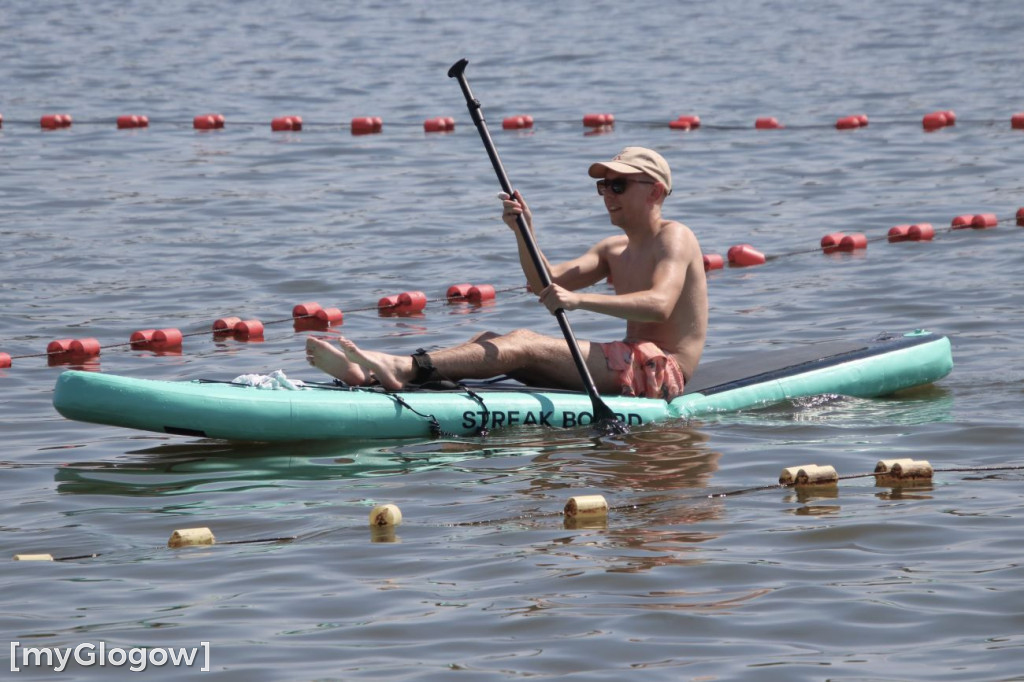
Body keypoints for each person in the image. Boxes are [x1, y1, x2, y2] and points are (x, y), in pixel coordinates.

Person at [305, 146, 707, 401]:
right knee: (491, 341)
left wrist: (578, 300)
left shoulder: (676, 237)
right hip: (627, 364)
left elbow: (659, 305)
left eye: (618, 186)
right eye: (603, 186)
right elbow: (543, 281)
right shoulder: (612, 249)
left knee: (523, 343)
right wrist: (523, 232)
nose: (607, 195)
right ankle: (378, 378)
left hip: (663, 372)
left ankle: (400, 367)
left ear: (654, 191)